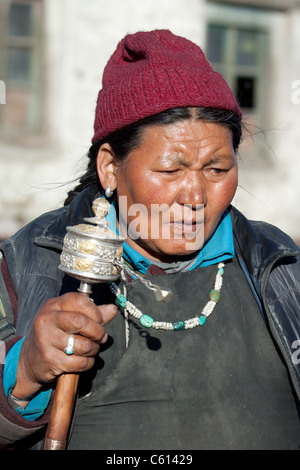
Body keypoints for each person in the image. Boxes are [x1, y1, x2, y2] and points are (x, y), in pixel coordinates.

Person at [0, 29, 299, 451]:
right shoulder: (29, 262)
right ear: (109, 167)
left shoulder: (280, 266)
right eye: (170, 171)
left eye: (216, 169)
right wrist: (26, 372)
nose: (195, 197)